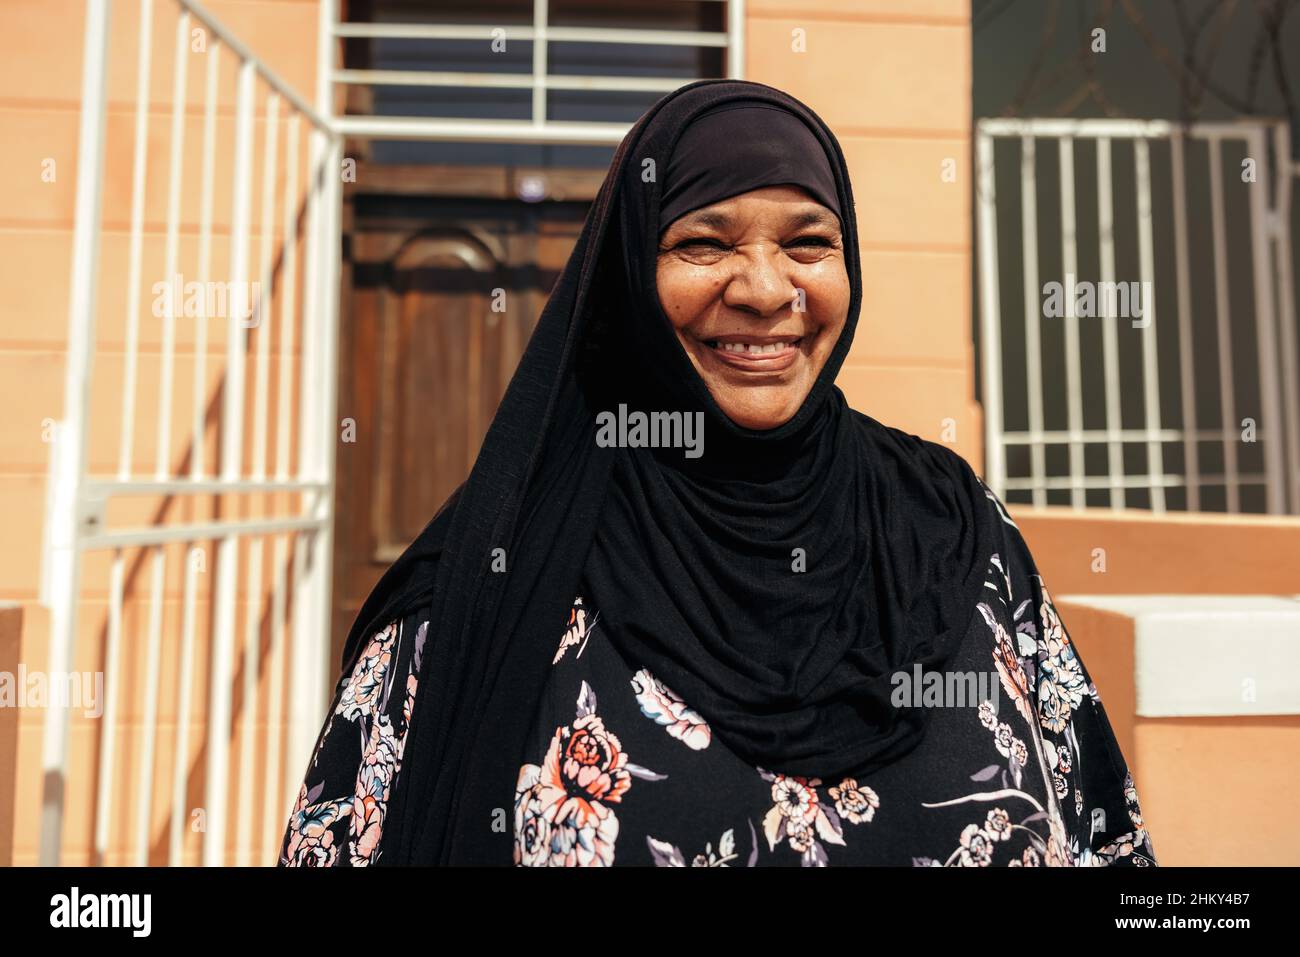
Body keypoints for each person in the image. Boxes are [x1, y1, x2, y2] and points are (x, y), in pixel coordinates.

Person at [278, 78, 1157, 867]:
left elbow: (1104, 832)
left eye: (809, 242)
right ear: (628, 273)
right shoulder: (500, 565)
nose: (768, 290)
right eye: (704, 243)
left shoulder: (954, 528)